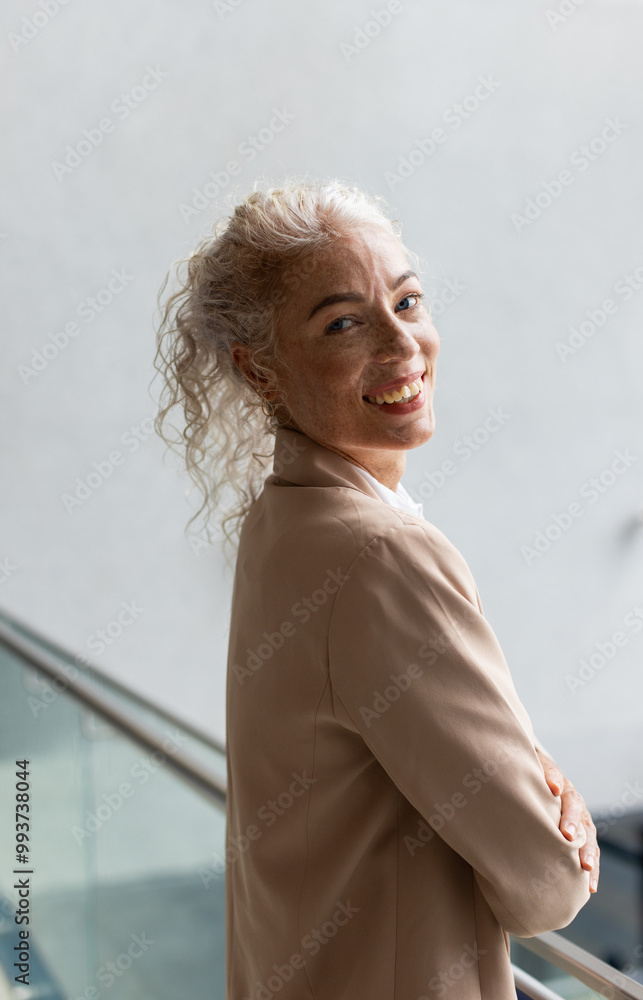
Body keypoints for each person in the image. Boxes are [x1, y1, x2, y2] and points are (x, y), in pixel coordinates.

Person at [154, 178, 600, 1000]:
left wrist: (514, 768)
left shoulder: (283, 521)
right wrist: (548, 803)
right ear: (260, 370)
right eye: (343, 323)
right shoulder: (381, 553)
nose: (402, 344)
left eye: (407, 301)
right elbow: (546, 884)